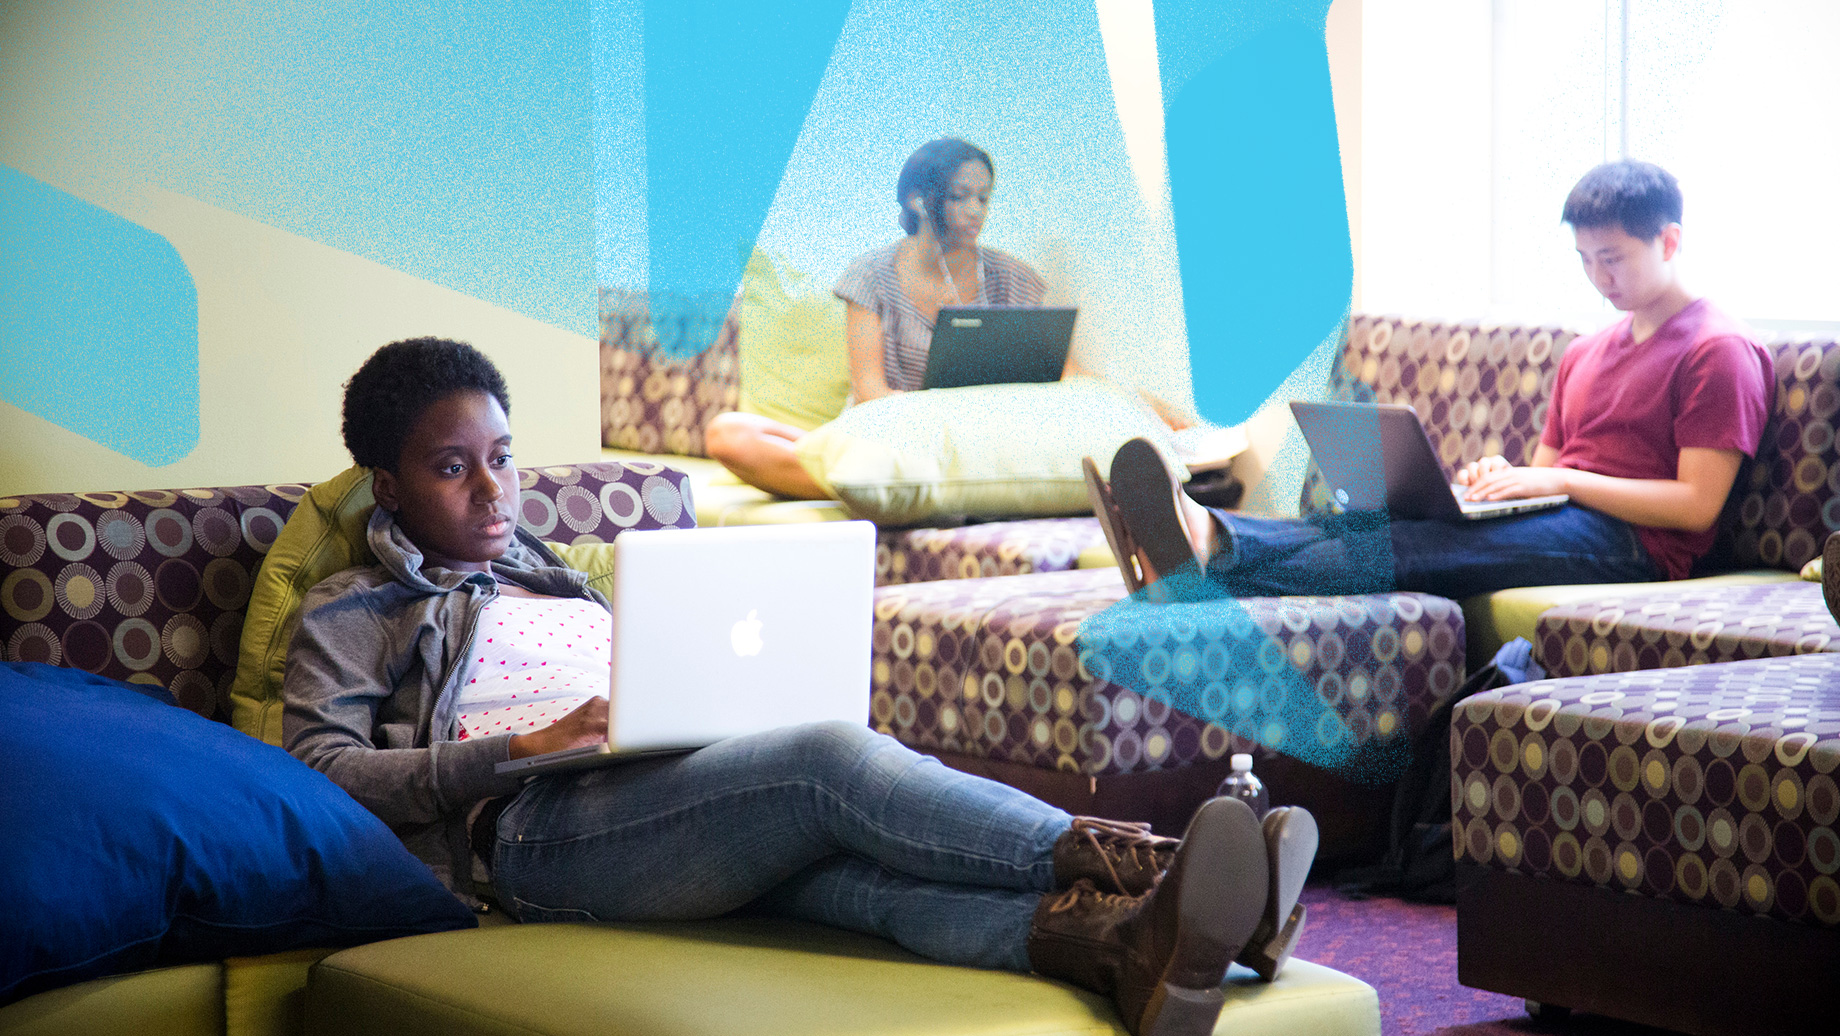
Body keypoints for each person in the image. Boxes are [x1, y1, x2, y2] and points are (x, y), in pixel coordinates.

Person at [282, 337, 1318, 1036]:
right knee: (828, 759)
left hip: (670, 792)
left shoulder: (557, 574)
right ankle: (1165, 868)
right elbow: (319, 774)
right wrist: (516, 750)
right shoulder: (347, 608)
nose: (493, 488)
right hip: (533, 835)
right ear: (388, 486)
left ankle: (1124, 947)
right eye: (451, 467)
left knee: (855, 890)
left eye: (502, 458)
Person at [1087, 160, 1774, 602]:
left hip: (1636, 549)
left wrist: (1557, 483)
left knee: (1417, 548)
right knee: (1368, 517)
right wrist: (1499, 483)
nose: (1600, 278)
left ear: (1671, 241)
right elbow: (1543, 472)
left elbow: (1695, 507)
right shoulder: (1586, 352)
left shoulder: (1717, 351)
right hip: (1564, 518)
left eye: (1614, 258)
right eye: (1586, 260)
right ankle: (1205, 537)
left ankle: (1203, 551)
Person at [705, 137, 1191, 499]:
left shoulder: (1012, 279)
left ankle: (905, 493)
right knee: (729, 435)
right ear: (919, 200)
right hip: (887, 436)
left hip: (980, 442)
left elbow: (1062, 374)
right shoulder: (870, 277)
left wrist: (1139, 404)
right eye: (962, 196)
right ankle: (886, 487)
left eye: (985, 197)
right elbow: (870, 391)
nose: (977, 211)